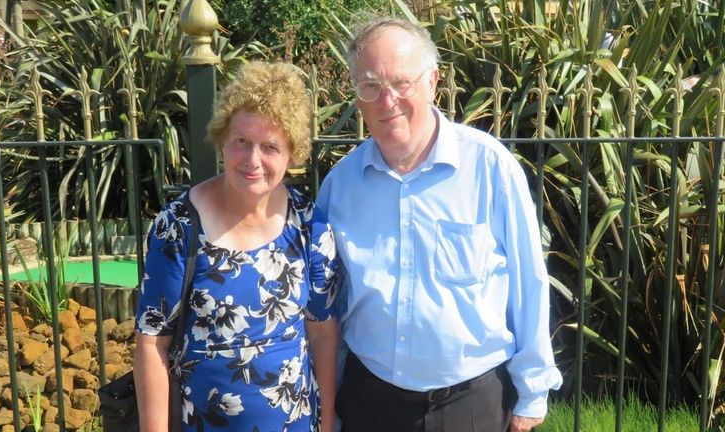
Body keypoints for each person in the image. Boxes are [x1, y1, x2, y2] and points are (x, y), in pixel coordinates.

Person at [316, 16, 562, 432]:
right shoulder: (341, 186)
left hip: (472, 403)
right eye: (370, 86)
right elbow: (331, 303)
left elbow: (528, 281)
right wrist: (331, 401)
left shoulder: (488, 167)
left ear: (433, 81)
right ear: (357, 96)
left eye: (401, 83)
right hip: (370, 401)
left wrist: (533, 391)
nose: (386, 100)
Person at [134, 61, 340, 432]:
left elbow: (322, 332)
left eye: (270, 147)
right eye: (241, 141)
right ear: (222, 139)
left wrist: (326, 424)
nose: (253, 160)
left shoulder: (310, 224)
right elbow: (152, 344)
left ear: (292, 154)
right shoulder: (179, 226)